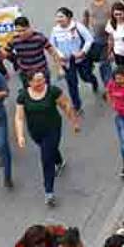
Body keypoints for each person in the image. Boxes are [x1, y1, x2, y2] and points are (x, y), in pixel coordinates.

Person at [14, 70, 79, 206]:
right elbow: (19, 117)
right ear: (30, 82)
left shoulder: (53, 91)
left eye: (43, 80)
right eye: (37, 81)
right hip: (35, 132)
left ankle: (49, 192)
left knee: (46, 159)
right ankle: (60, 161)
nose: (41, 83)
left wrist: (74, 122)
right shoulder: (23, 96)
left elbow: (66, 105)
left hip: (53, 129)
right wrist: (20, 136)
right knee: (50, 150)